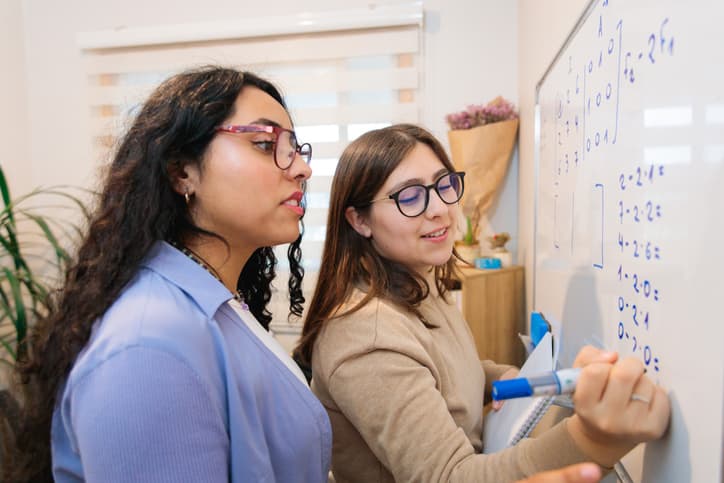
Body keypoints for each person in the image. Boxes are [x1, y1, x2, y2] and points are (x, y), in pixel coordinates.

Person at [4, 66, 331, 483]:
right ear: (181, 171)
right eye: (265, 144)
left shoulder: (216, 303)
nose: (301, 168)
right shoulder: (148, 347)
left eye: (296, 148)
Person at [295, 124, 670, 482]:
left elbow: (444, 367)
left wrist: (502, 378)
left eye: (444, 184)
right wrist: (594, 441)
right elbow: (451, 477)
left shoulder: (419, 281)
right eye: (409, 196)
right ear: (360, 220)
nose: (440, 207)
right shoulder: (366, 335)